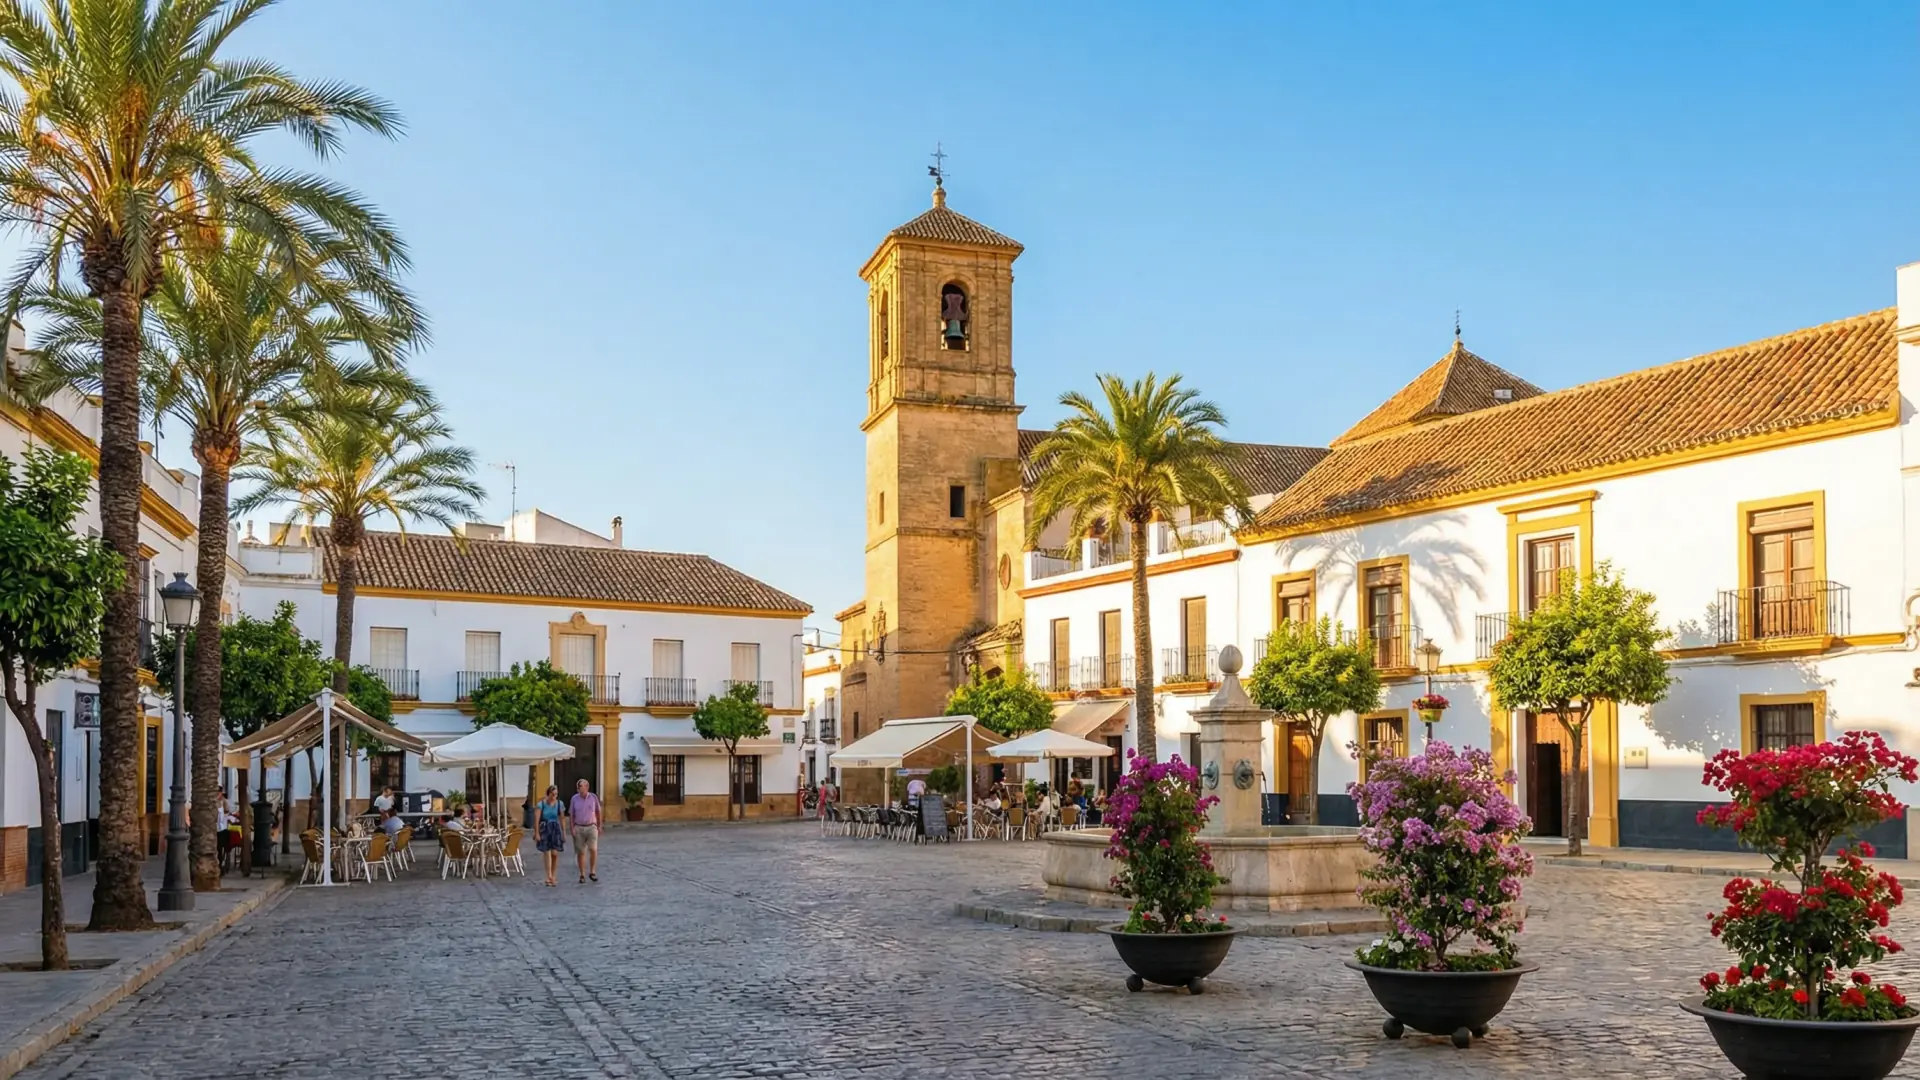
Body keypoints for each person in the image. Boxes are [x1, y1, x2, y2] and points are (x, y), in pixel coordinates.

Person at [567, 777, 602, 884]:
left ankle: (592, 872)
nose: (578, 789)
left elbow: (598, 812)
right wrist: (572, 828)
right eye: (577, 787)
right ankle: (582, 874)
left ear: (586, 787)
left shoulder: (593, 797)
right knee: (581, 852)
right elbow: (571, 814)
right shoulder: (574, 799)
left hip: (591, 826)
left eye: (580, 786)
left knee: (593, 849)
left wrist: (599, 826)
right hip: (579, 827)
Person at [534, 785, 566, 886]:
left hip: (555, 829)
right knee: (547, 852)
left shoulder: (559, 804)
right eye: (553, 794)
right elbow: (536, 820)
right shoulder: (541, 805)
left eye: (556, 794)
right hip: (545, 828)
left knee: (555, 853)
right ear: (548, 794)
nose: (554, 796)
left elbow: (562, 819)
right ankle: (549, 876)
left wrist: (564, 832)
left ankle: (553, 874)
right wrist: (537, 833)